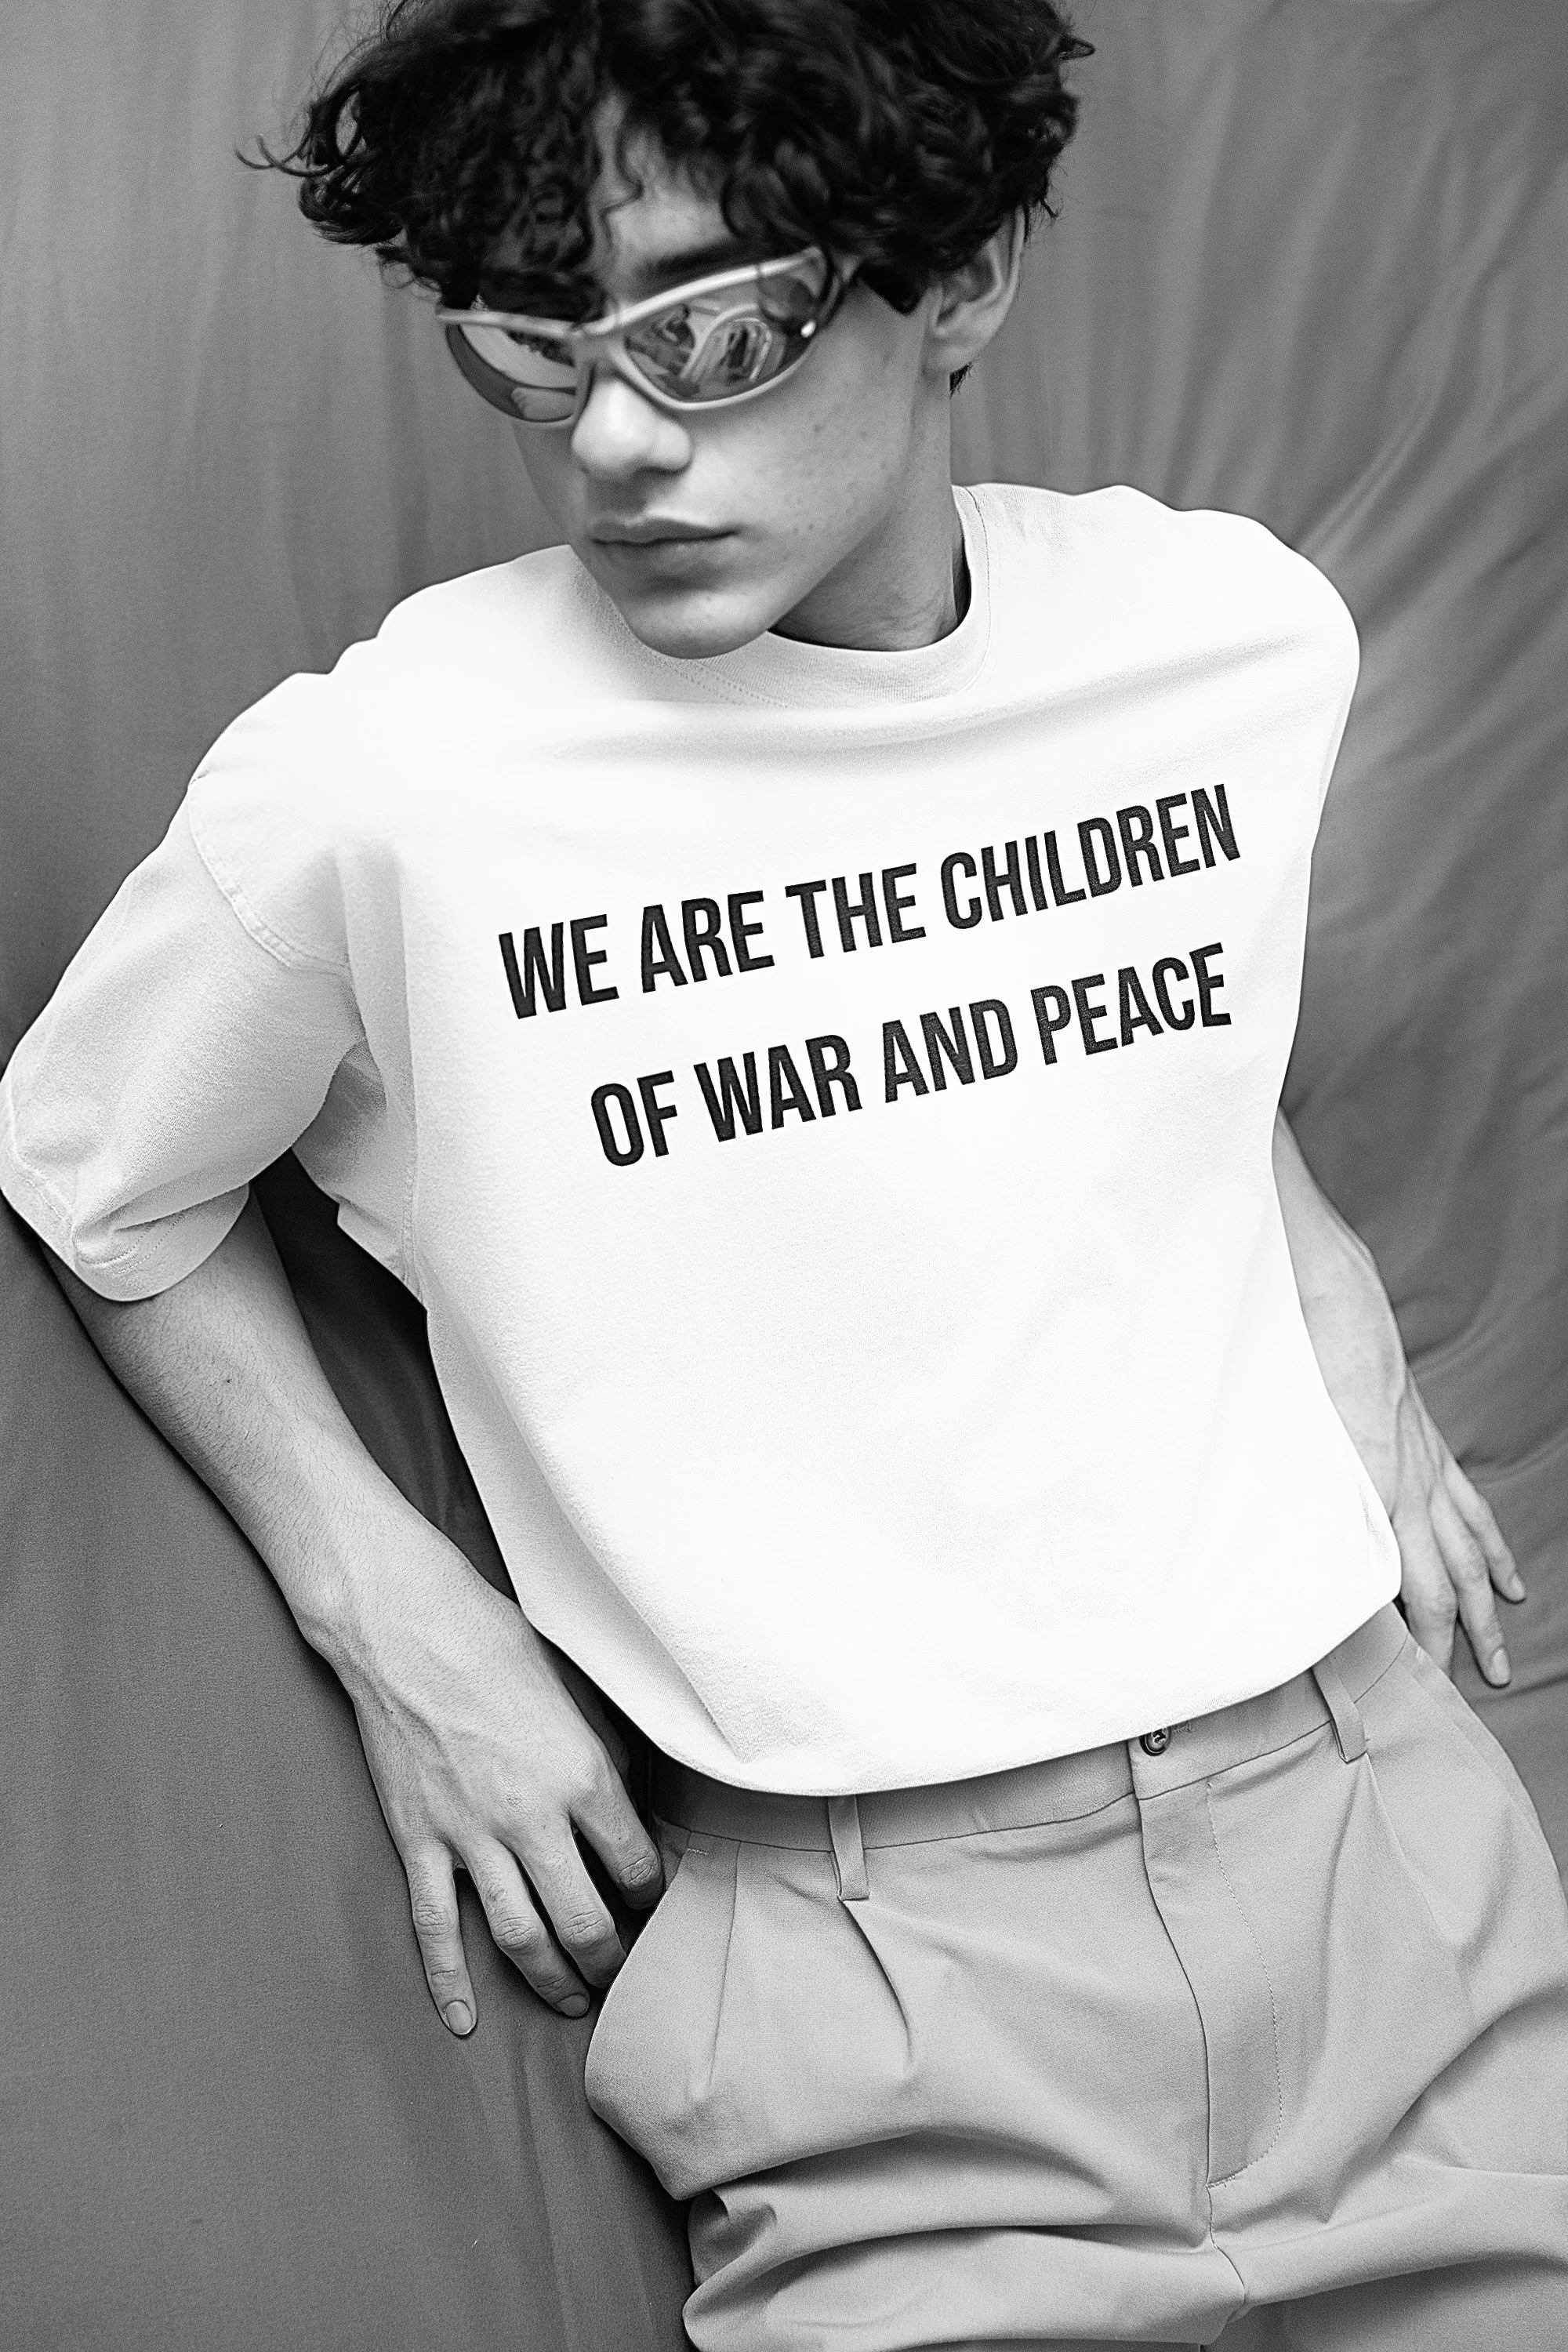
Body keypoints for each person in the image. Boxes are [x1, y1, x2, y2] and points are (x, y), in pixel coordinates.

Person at [3, 0, 1565, 2343]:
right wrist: (395, 1614)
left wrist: (1319, 1282)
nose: (619, 442)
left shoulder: (1231, 641)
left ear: (964, 281)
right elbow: (95, 1175)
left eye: (717, 329)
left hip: (1382, 1843)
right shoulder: (390, 781)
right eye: (538, 343)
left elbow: (1159, 1028)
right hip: (869, 1973)